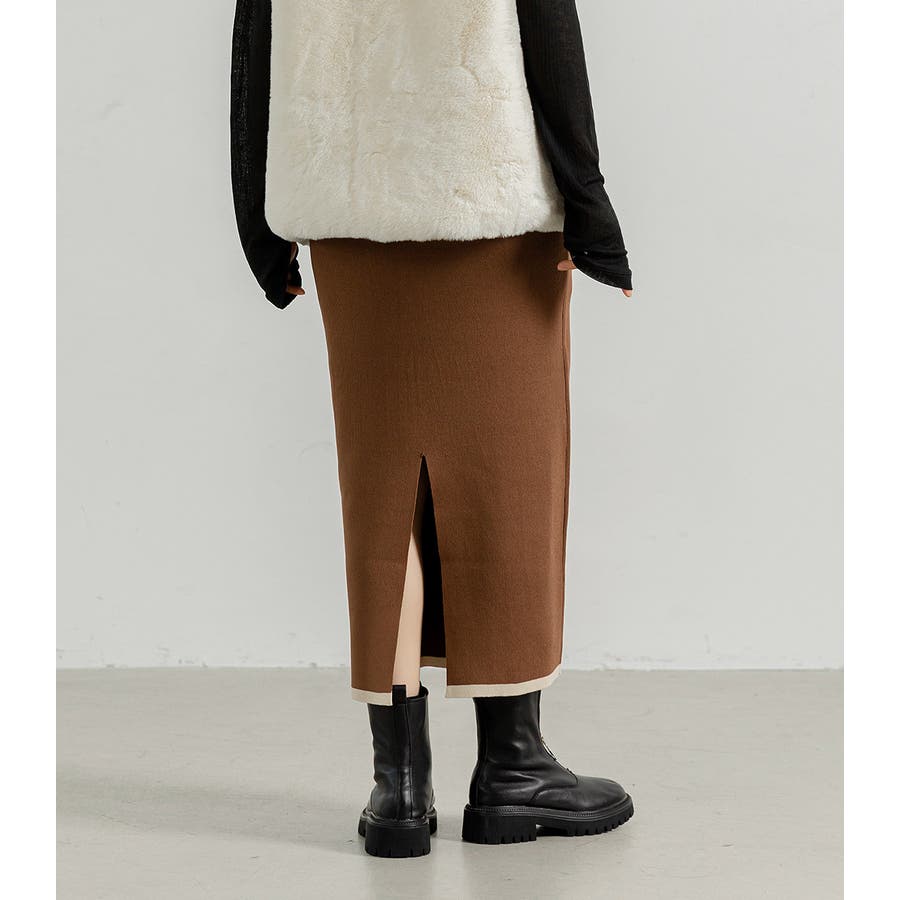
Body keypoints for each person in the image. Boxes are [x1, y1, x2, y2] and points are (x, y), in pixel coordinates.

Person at [231, 0, 635, 857]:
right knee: (511, 482)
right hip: (486, 197)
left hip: (345, 206)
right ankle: (514, 768)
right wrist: (589, 204)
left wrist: (258, 224)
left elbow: (254, 44)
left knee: (383, 496)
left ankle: (400, 791)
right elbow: (548, 27)